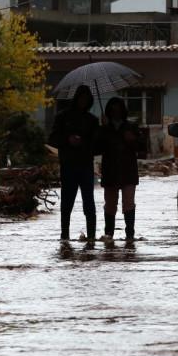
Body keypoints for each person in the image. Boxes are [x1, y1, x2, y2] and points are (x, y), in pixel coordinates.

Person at [49, 85, 101, 241]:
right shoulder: (62, 117)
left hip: (85, 164)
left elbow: (97, 146)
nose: (83, 101)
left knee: (88, 201)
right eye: (81, 98)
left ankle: (91, 237)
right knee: (67, 201)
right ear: (76, 98)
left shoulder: (93, 120)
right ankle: (64, 236)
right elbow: (52, 139)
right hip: (68, 164)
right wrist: (67, 140)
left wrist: (100, 130)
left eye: (86, 98)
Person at [96, 97, 143, 240]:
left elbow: (142, 146)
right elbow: (97, 147)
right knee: (110, 204)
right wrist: (103, 129)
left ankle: (130, 235)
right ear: (109, 111)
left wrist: (133, 139)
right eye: (113, 109)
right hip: (110, 170)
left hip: (128, 170)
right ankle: (109, 234)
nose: (116, 112)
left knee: (128, 203)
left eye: (118, 109)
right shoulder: (104, 128)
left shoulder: (131, 126)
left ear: (123, 110)